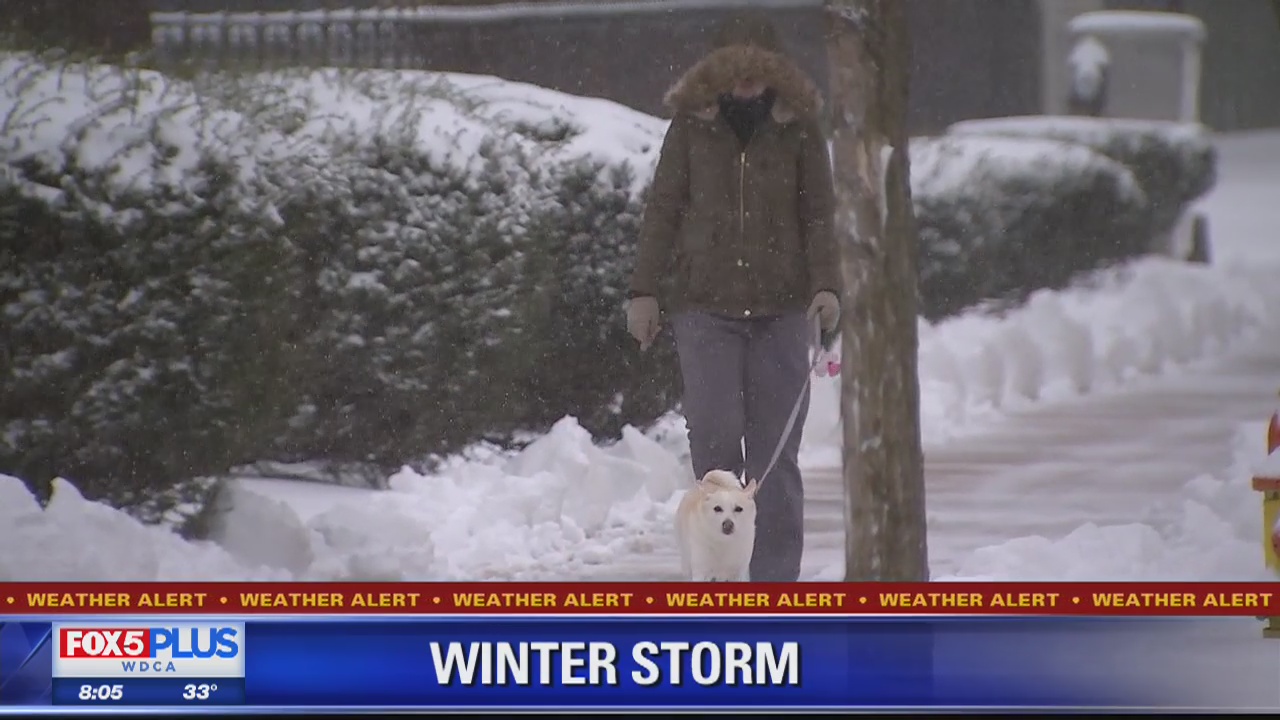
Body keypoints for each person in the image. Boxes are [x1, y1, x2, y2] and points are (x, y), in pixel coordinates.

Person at [626, 13, 841, 582]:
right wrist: (643, 290)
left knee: (774, 460)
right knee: (717, 461)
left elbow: (819, 214)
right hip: (705, 308)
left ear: (775, 72)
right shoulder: (691, 127)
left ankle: (772, 590)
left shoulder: (798, 128)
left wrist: (826, 286)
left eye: (756, 71)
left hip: (783, 310)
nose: (745, 83)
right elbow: (663, 210)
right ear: (715, 73)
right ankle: (717, 581)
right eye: (734, 71)